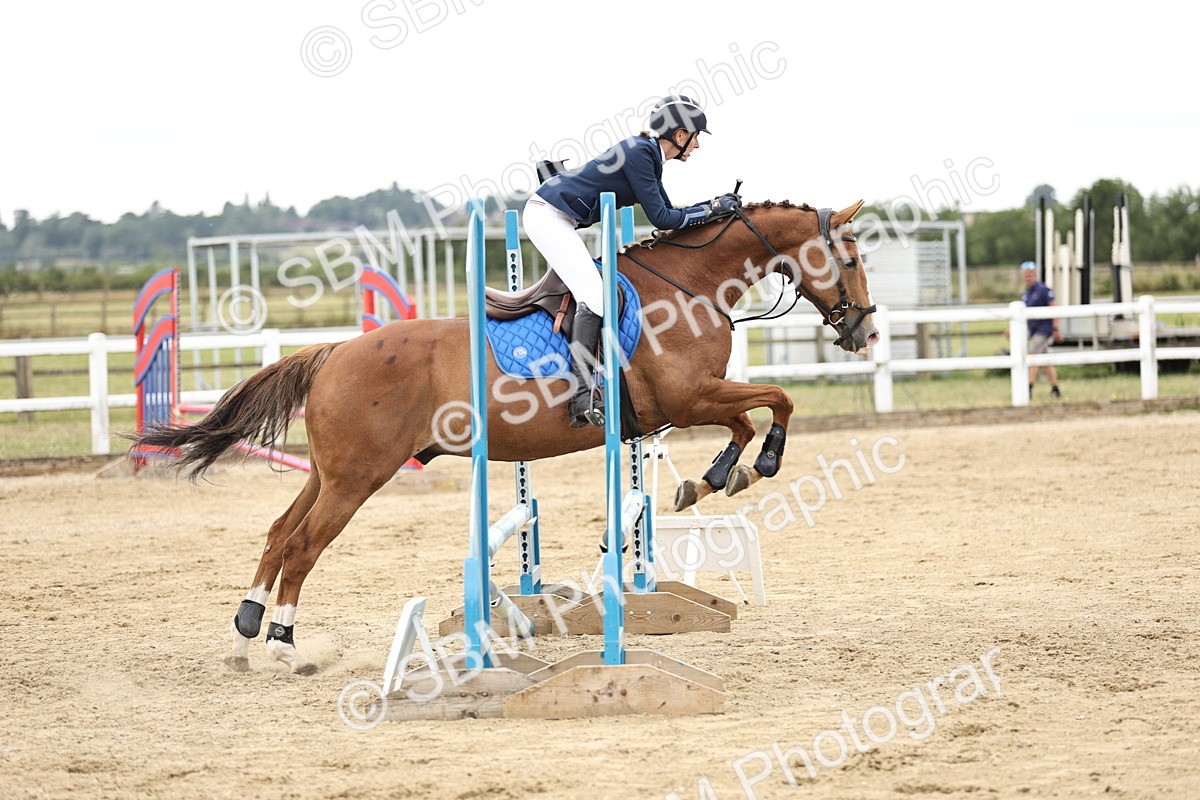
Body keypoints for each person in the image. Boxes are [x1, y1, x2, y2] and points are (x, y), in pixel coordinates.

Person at [522, 95, 740, 428]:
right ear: (679, 135)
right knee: (594, 296)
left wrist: (712, 204)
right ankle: (581, 395)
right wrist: (712, 209)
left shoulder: (648, 154)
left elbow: (668, 211)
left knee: (595, 293)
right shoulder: (641, 153)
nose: (697, 145)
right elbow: (664, 219)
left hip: (557, 216)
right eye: (695, 136)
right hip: (548, 217)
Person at [1011, 260, 1062, 398]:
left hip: (1043, 329)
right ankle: (1055, 388)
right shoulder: (1026, 293)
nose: (1027, 277)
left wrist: (1056, 328)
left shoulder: (1043, 290)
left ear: (1035, 274)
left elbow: (1054, 307)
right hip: (1033, 329)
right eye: (1025, 275)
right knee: (1045, 360)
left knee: (1032, 356)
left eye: (1030, 274)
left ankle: (1028, 388)